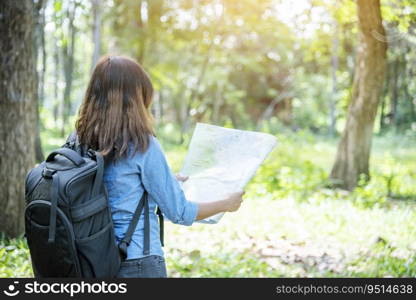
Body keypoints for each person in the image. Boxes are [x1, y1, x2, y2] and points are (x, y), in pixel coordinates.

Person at [74, 55, 244, 278]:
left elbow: (112, 184)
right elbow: (180, 212)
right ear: (136, 98)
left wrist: (165, 180)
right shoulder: (142, 145)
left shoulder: (78, 140)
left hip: (90, 262)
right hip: (136, 262)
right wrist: (226, 203)